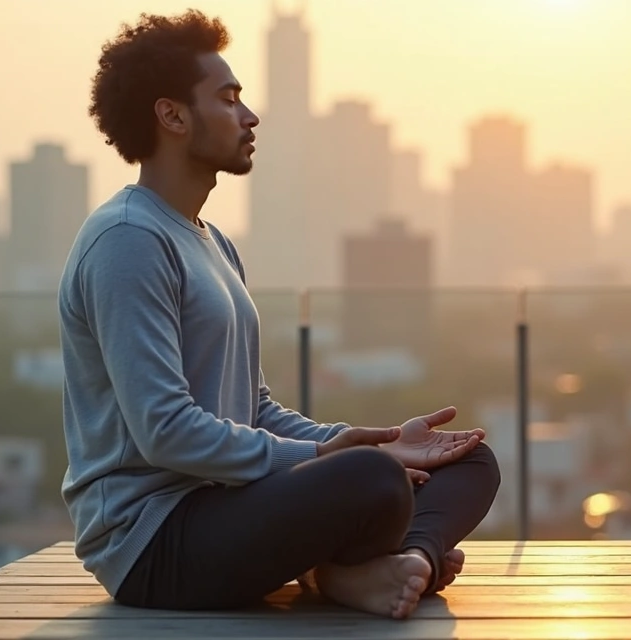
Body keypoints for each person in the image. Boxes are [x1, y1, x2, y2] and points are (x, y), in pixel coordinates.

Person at [57, 9, 501, 620]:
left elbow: (254, 409)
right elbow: (163, 431)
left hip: (232, 507)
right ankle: (349, 568)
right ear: (173, 115)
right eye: (230, 98)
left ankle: (403, 562)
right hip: (157, 543)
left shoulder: (211, 241)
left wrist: (366, 440)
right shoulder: (128, 240)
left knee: (467, 459)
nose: (249, 116)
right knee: (371, 481)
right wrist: (334, 461)